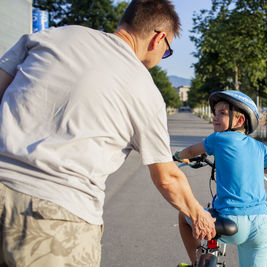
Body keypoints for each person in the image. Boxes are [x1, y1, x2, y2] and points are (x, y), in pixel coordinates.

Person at [0, 0, 215, 266]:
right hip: (56, 215)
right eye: (167, 51)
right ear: (158, 38)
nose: (162, 58)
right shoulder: (142, 88)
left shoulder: (53, 36)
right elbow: (167, 178)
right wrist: (196, 213)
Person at [174, 90, 267, 267]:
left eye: (222, 113)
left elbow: (190, 152)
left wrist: (177, 156)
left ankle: (197, 261)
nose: (215, 117)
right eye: (215, 113)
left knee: (184, 217)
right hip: (261, 224)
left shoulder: (219, 139)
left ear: (240, 120)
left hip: (231, 221)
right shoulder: (259, 147)